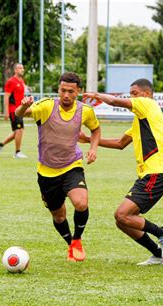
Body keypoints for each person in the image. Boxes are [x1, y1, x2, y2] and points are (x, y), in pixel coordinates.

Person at [81, 78, 163, 266]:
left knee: (122, 215)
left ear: (147, 94)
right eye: (130, 94)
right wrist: (89, 140)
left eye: (135, 94)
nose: (132, 98)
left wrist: (96, 95)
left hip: (155, 174)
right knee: (122, 221)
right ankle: (158, 255)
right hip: (148, 175)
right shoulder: (141, 119)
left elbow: (115, 102)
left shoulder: (148, 105)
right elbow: (120, 143)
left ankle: (162, 233)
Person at [15, 72, 101, 262]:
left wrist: (93, 148)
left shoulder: (85, 111)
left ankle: (77, 241)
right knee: (59, 216)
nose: (66, 95)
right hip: (46, 172)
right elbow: (19, 114)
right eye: (63, 90)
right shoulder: (46, 106)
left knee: (81, 202)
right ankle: (70, 244)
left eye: (71, 91)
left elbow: (95, 129)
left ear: (78, 92)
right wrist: (23, 106)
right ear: (58, 90)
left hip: (72, 165)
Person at [0, 63, 28, 159]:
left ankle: (0, 145)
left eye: (23, 68)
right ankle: (17, 153)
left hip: (20, 110)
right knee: (19, 130)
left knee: (18, 131)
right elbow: (6, 97)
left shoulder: (21, 81)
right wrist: (6, 112)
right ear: (15, 70)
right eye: (20, 68)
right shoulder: (11, 81)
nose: (22, 69)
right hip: (13, 110)